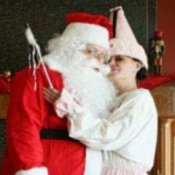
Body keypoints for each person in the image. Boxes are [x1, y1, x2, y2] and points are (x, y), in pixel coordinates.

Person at [44, 7, 158, 175]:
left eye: (119, 59)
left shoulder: (141, 99)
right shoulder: (109, 99)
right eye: (108, 59)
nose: (110, 64)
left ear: (137, 64)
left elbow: (109, 135)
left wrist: (71, 110)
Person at [1, 12, 115, 175]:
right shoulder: (36, 76)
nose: (99, 61)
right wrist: (31, 169)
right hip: (51, 165)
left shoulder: (96, 87)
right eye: (93, 52)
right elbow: (23, 129)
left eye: (104, 56)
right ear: (72, 48)